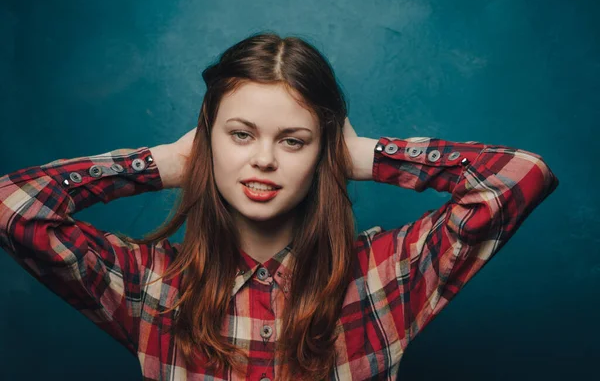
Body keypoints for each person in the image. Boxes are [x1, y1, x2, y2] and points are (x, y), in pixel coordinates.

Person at [0, 32, 559, 381]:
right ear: (207, 141)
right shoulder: (150, 286)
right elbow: (14, 208)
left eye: (292, 140)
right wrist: (162, 164)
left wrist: (363, 155)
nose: (263, 159)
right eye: (241, 135)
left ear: (324, 150)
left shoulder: (388, 273)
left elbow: (521, 177)